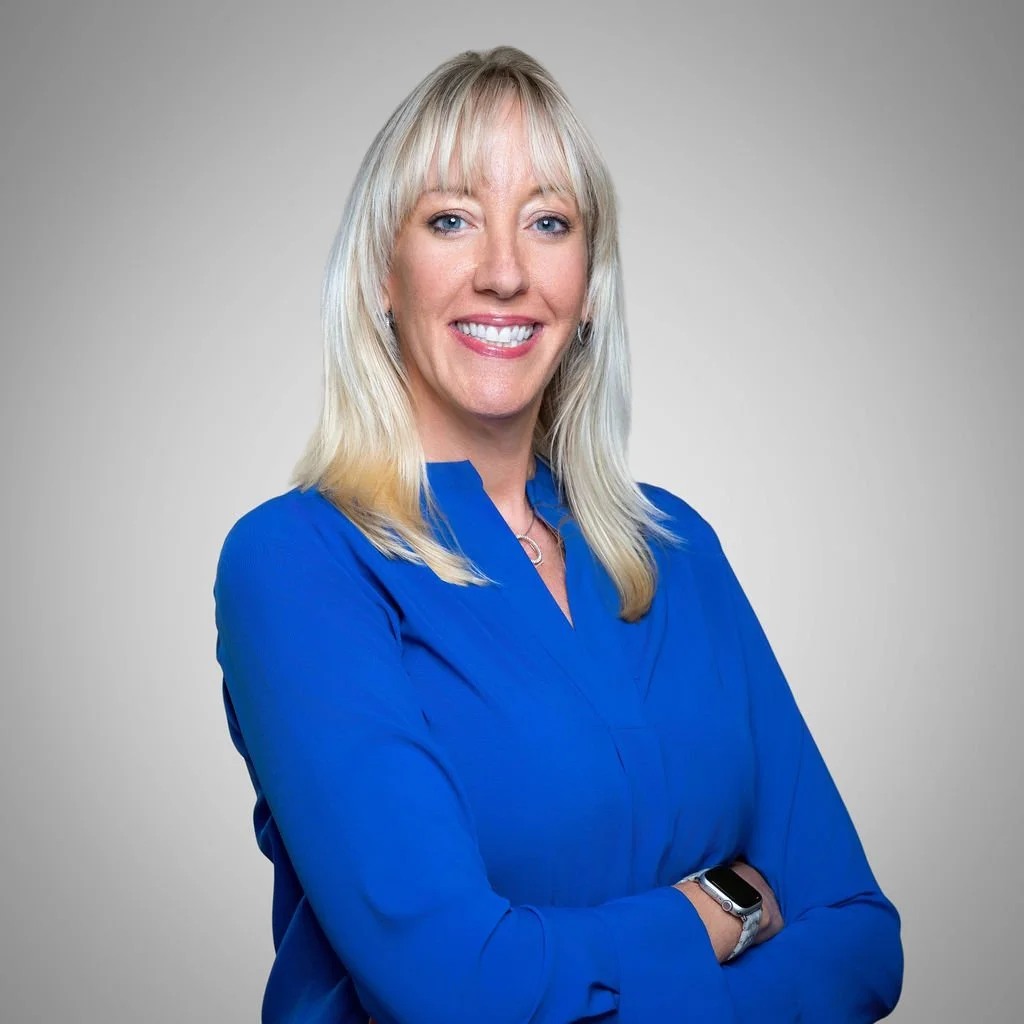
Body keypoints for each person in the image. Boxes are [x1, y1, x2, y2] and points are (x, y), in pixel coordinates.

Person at [213, 45, 904, 1024]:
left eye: (547, 223)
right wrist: (720, 907)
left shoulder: (678, 549)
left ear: (586, 282)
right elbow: (455, 987)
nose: (504, 271)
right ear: (381, 273)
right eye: (451, 219)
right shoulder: (297, 563)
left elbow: (858, 934)